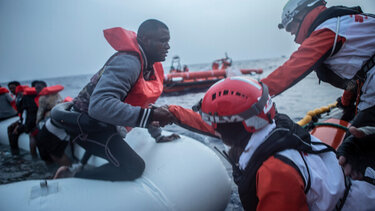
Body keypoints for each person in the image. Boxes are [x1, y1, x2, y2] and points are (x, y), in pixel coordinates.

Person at [167, 77, 375, 210]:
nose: (214, 128)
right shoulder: (274, 126)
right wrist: (173, 113)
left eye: (215, 122)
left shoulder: (275, 171)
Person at [260, 0, 375, 180]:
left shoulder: (327, 31)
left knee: (349, 156)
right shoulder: (344, 23)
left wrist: (249, 93)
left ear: (301, 14)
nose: (291, 34)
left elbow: (288, 72)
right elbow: (360, 73)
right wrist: (346, 104)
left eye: (290, 26)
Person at [52, 19, 179, 181]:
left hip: (104, 123)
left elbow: (141, 100)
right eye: (163, 41)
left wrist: (158, 135)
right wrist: (151, 116)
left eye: (168, 41)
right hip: (85, 126)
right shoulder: (129, 63)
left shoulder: (147, 66)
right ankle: (72, 175)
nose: (167, 47)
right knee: (134, 167)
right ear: (145, 39)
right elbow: (98, 106)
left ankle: (80, 165)